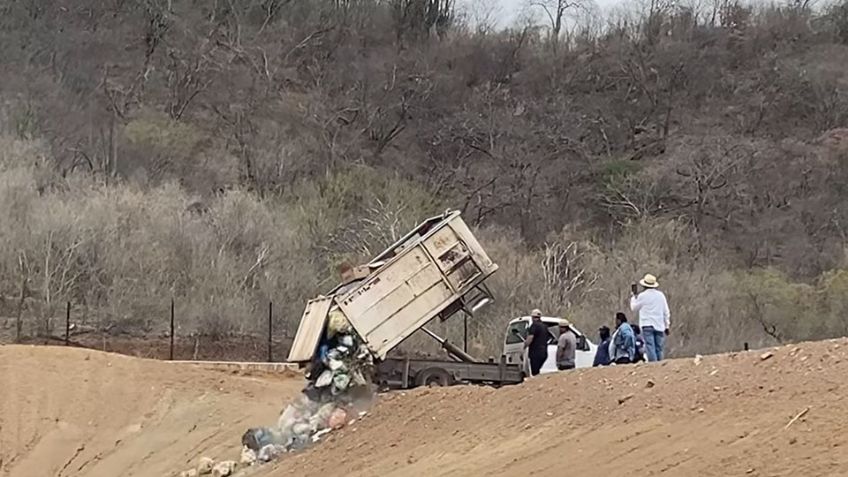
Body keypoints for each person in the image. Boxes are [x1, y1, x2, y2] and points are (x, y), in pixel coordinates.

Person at [630, 273, 671, 362]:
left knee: (650, 346)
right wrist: (667, 325)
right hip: (659, 325)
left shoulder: (642, 296)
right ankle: (660, 364)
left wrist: (633, 296)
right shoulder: (661, 295)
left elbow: (634, 308)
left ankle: (653, 366)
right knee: (659, 348)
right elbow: (666, 311)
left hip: (647, 324)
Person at [524, 309, 550, 376]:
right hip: (544, 352)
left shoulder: (534, 326)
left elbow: (530, 338)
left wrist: (525, 345)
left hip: (535, 352)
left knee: (535, 372)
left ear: (532, 317)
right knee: (538, 370)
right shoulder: (545, 326)